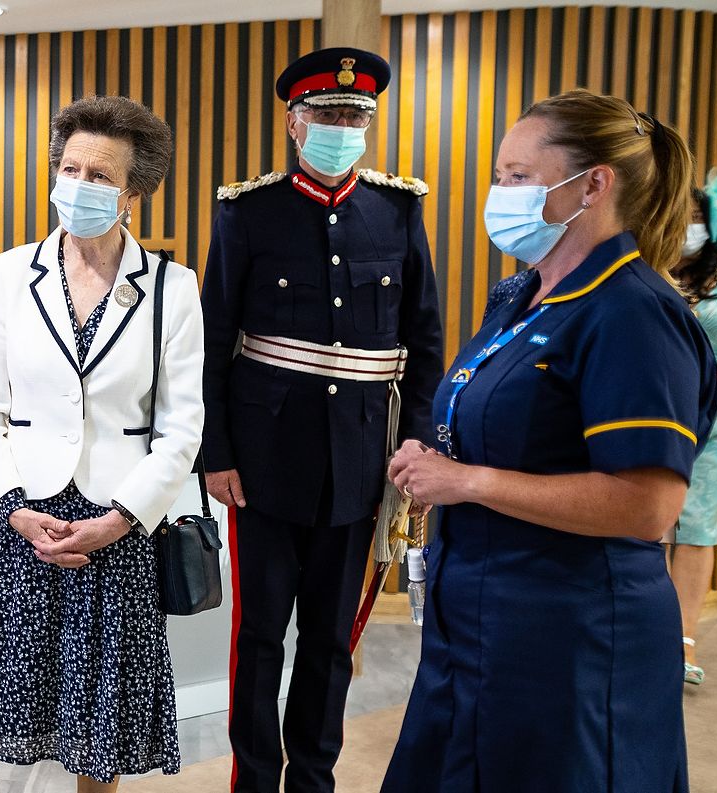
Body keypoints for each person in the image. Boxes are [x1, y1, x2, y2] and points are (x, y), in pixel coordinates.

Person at [382, 90, 715, 792]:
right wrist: (435, 461)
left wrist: (466, 481)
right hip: (476, 629)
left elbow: (646, 504)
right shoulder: (520, 297)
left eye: (517, 176)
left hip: (573, 644)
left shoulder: (631, 312)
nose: (498, 194)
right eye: (499, 177)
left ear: (594, 183)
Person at [201, 47, 443, 793]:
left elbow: (424, 339)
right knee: (261, 636)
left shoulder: (397, 211)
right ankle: (254, 777)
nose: (343, 127)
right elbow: (214, 337)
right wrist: (216, 450)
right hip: (264, 463)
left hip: (360, 464)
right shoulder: (248, 211)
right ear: (294, 123)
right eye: (329, 116)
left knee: (333, 641)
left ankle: (313, 778)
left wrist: (415, 445)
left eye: (356, 116)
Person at [0, 95, 204, 793]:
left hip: (114, 534)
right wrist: (12, 505)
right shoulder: (7, 274)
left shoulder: (172, 291)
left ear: (133, 195)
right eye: (70, 167)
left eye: (100, 175)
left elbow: (182, 426)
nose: (80, 184)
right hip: (20, 526)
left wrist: (121, 517)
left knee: (100, 737)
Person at [668, 168, 717, 687]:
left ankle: (683, 641)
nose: (689, 229)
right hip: (658, 416)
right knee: (644, 524)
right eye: (681, 219)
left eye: (697, 220)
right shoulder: (648, 272)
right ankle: (645, 635)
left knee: (696, 529)